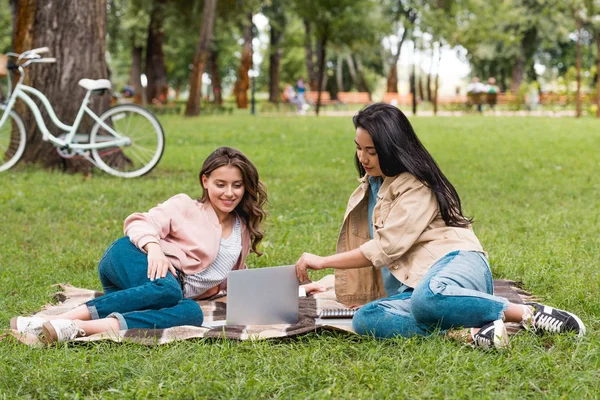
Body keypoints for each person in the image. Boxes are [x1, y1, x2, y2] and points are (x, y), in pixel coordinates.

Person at [295, 103, 586, 349]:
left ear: (391, 147)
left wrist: (322, 262)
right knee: (365, 319)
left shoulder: (416, 186)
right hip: (415, 286)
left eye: (371, 150)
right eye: (359, 149)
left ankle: (528, 314)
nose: (363, 158)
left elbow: (385, 248)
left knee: (428, 299)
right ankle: (466, 331)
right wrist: (336, 281)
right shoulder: (371, 186)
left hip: (457, 264)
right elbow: (381, 261)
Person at [11, 147, 268, 343]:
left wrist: (275, 291)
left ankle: (75, 329)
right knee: (168, 290)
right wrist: (154, 248)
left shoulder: (241, 228)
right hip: (131, 258)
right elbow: (139, 222)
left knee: (192, 312)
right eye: (220, 184)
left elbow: (231, 275)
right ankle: (58, 318)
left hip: (156, 289)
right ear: (205, 181)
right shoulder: (186, 206)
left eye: (237, 185)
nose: (229, 193)